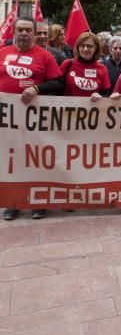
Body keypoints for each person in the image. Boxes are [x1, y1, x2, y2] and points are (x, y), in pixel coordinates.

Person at [1, 17, 64, 220]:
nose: (24, 33)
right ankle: (13, 202)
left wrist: (37, 88)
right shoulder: (2, 53)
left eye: (29, 30)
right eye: (20, 30)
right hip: (7, 121)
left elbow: (58, 84)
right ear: (14, 32)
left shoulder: (45, 56)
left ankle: (39, 203)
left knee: (37, 161)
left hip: (34, 121)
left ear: (35, 34)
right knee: (11, 162)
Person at [61, 32, 111, 100]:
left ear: (95, 48)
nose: (85, 49)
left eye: (89, 46)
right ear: (78, 47)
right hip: (68, 109)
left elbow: (106, 94)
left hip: (92, 109)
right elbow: (57, 88)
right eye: (82, 45)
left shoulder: (102, 69)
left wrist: (99, 96)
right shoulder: (67, 64)